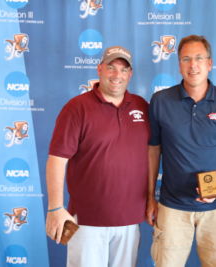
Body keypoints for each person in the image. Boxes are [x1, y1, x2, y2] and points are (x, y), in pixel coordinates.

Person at [146, 35, 216, 267]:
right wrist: (150, 197)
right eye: (186, 59)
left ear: (210, 63)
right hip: (172, 206)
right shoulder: (160, 101)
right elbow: (153, 150)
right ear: (179, 64)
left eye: (199, 58)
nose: (193, 65)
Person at [45, 46, 149, 267]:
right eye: (111, 68)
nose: (117, 75)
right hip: (86, 221)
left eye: (123, 70)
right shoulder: (77, 108)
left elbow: (154, 152)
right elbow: (57, 159)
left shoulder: (142, 106)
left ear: (130, 75)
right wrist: (55, 207)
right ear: (100, 69)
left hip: (129, 221)